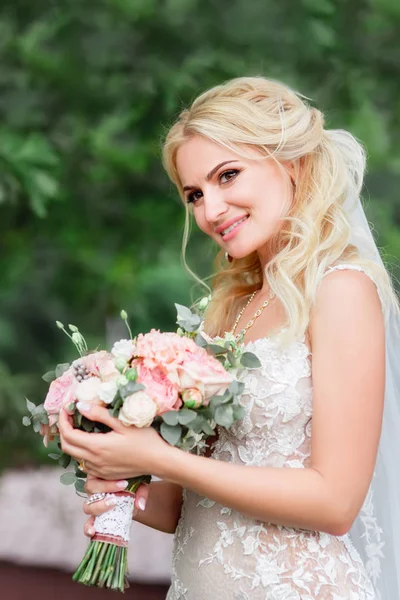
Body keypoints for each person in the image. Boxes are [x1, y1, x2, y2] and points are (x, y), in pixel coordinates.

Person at [58, 77, 400, 600]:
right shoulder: (229, 310)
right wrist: (107, 456)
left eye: (228, 176)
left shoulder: (341, 290)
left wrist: (159, 457)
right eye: (195, 194)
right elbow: (180, 505)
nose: (211, 210)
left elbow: (335, 503)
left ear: (291, 163)